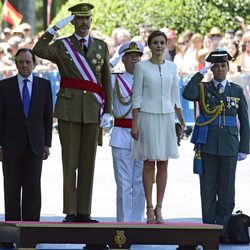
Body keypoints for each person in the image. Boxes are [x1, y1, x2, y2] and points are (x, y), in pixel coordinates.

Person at [33, 3, 112, 223]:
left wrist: (108, 110)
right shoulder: (62, 46)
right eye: (79, 19)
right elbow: (38, 50)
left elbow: (106, 78)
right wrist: (53, 30)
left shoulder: (101, 46)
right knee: (70, 163)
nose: (84, 22)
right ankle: (70, 210)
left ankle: (84, 211)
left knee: (88, 162)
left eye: (87, 19)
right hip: (69, 109)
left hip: (92, 109)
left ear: (91, 21)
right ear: (73, 22)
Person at [182, 50, 250, 243]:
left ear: (228, 68)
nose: (220, 69)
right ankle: (209, 228)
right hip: (208, 145)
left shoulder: (236, 91)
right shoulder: (203, 88)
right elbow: (187, 93)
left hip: (229, 145)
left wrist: (244, 146)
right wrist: (201, 72)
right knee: (208, 188)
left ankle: (223, 229)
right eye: (216, 66)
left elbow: (244, 120)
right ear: (212, 68)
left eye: (223, 65)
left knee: (227, 190)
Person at [131, 30, 185, 224]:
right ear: (150, 45)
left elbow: (175, 97)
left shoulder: (172, 67)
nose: (159, 46)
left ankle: (160, 208)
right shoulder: (141, 67)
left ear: (165, 44)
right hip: (147, 117)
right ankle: (149, 208)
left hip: (167, 118)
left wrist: (182, 120)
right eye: (155, 42)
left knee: (163, 163)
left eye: (162, 42)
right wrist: (134, 123)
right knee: (148, 163)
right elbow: (136, 97)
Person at [0, 48, 53, 221]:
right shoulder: (4, 86)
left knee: (33, 190)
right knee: (11, 190)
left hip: (35, 146)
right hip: (10, 147)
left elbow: (47, 116)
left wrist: (47, 144)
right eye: (21, 62)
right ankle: (11, 233)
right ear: (16, 64)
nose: (24, 65)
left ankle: (32, 231)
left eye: (28, 62)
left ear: (34, 64)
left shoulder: (44, 86)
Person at [109, 41, 145, 222]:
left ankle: (137, 224)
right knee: (123, 184)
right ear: (123, 59)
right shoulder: (115, 78)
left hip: (143, 135)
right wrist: (114, 59)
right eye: (130, 56)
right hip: (121, 133)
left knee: (140, 184)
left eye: (138, 56)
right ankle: (123, 226)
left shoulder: (147, 79)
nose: (135, 59)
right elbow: (99, 76)